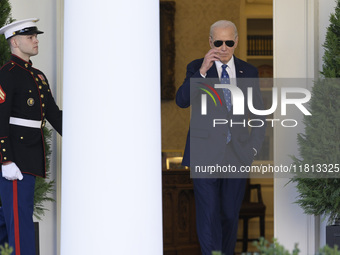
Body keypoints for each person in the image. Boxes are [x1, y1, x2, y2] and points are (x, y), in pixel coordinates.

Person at [176, 20, 266, 254]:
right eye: (218, 42)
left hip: (237, 155)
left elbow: (259, 115)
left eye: (228, 42)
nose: (223, 47)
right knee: (208, 214)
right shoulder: (196, 67)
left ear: (236, 41)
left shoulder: (250, 71)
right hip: (204, 154)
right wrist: (203, 71)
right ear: (210, 42)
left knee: (228, 214)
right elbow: (182, 100)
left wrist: (253, 150)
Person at [0, 18, 62, 255]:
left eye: (36, 36)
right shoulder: (7, 73)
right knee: (19, 222)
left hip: (31, 155)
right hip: (15, 158)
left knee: (16, 218)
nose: (36, 40)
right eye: (30, 37)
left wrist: (84, 137)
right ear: (14, 42)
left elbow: (54, 115)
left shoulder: (37, 76)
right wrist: (5, 159)